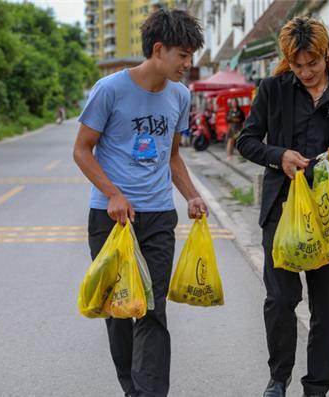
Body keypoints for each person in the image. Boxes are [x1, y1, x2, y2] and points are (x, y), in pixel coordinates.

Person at [73, 9, 207, 397]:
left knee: (153, 309)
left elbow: (173, 156)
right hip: (111, 218)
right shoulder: (110, 89)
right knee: (119, 311)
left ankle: (150, 393)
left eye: (191, 55)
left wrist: (192, 195)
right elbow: (82, 150)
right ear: (159, 49)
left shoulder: (179, 96)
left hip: (159, 216)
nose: (187, 64)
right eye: (182, 55)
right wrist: (113, 193)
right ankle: (131, 388)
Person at [236, 17, 329, 397]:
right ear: (288, 62)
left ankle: (316, 388)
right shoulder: (272, 90)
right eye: (297, 65)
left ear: (325, 54)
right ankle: (278, 378)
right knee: (280, 300)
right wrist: (278, 156)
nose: (306, 72)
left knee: (325, 310)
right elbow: (247, 141)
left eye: (312, 63)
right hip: (283, 212)